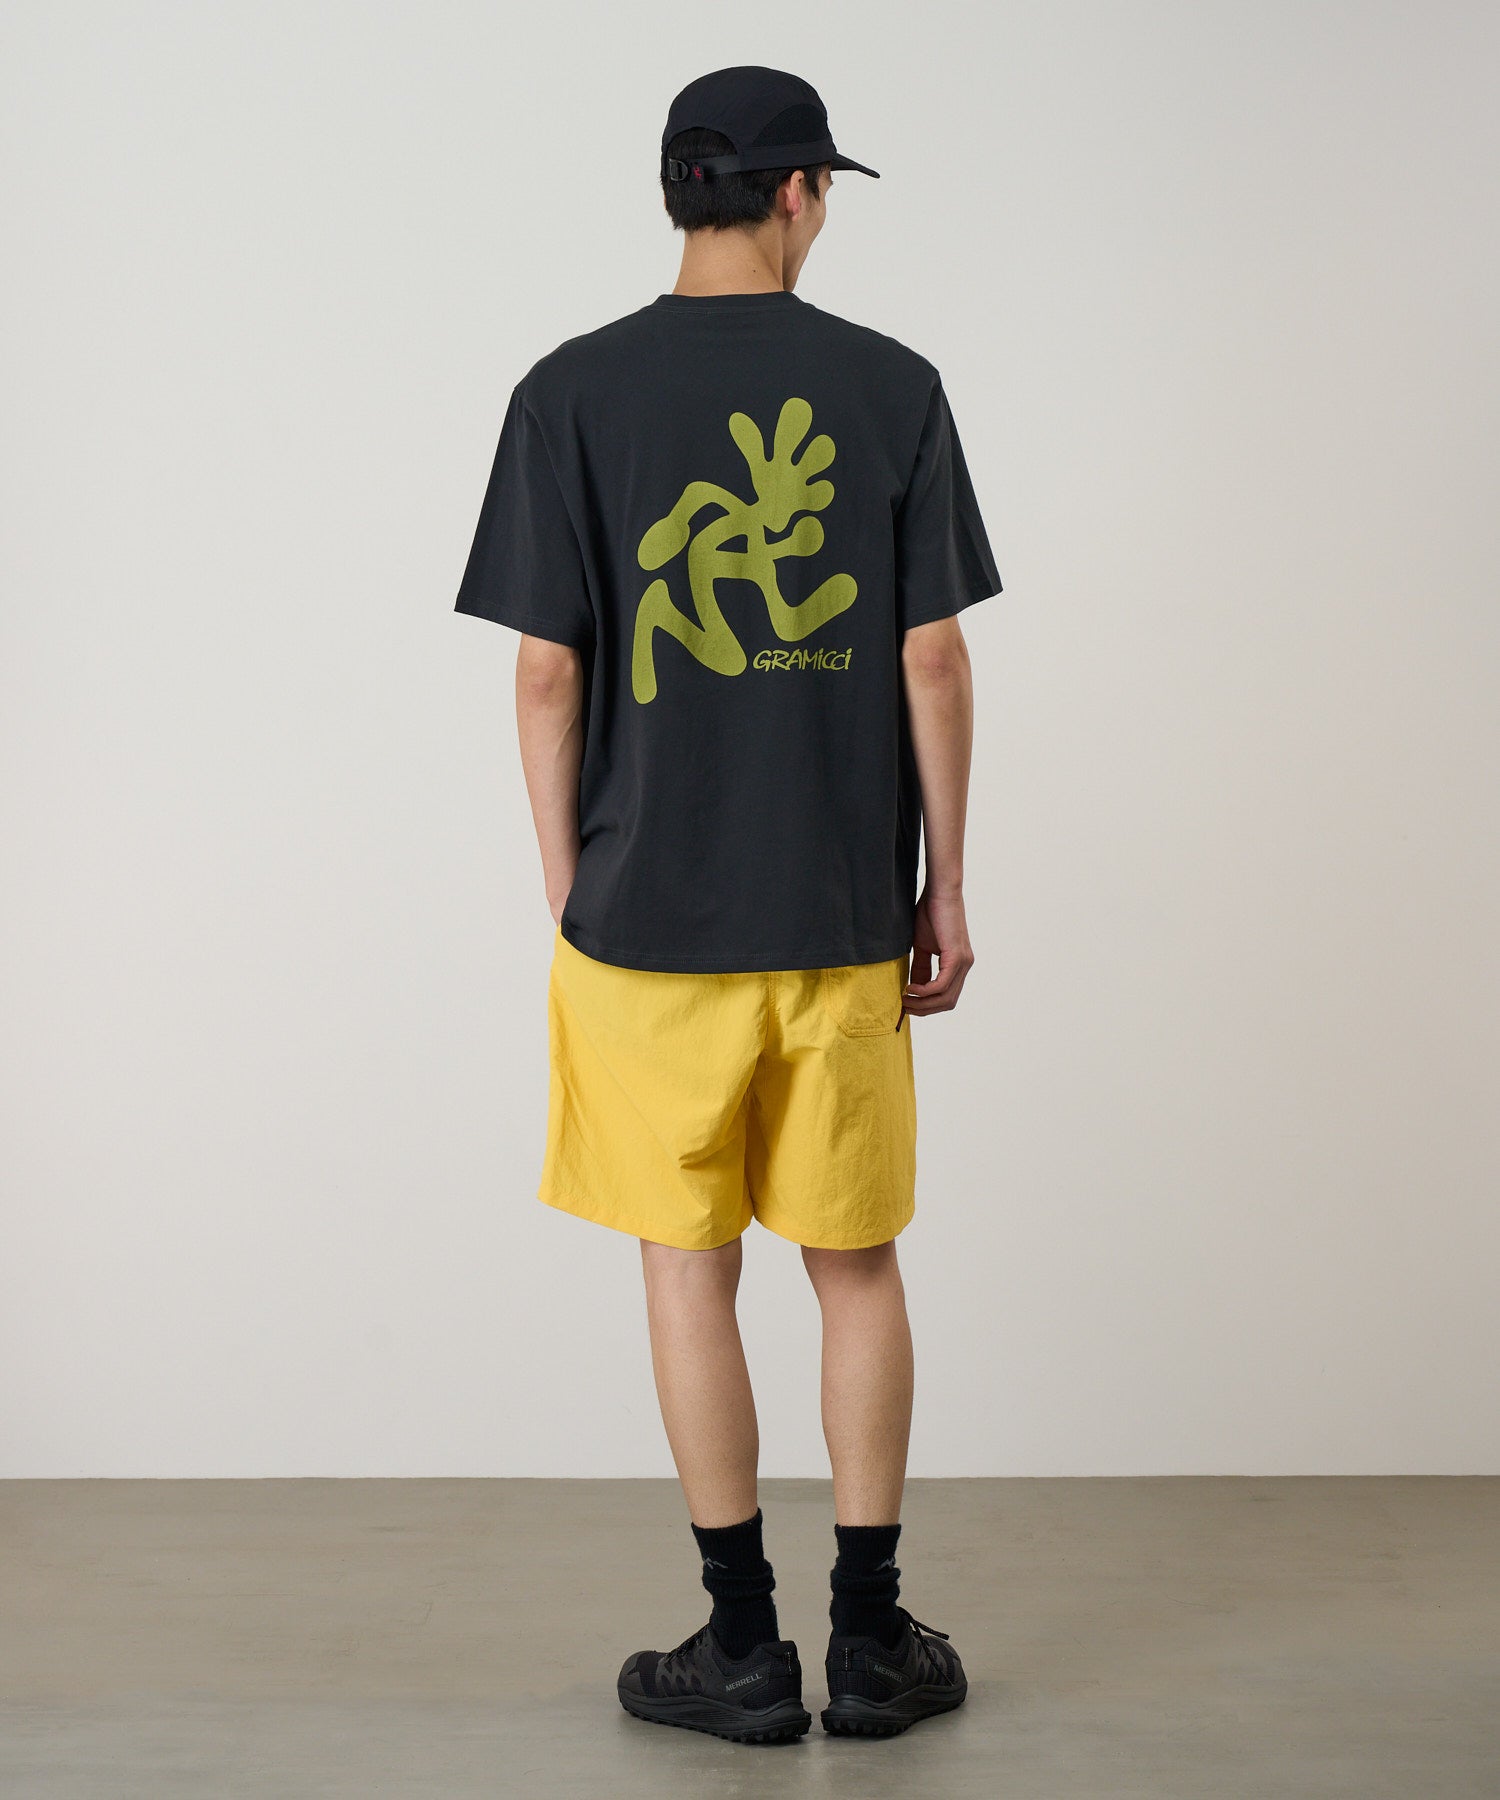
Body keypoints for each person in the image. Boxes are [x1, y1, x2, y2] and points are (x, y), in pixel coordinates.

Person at [453, 64, 1002, 1744]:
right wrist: (944, 885)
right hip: (838, 919)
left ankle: (744, 1649)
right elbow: (930, 656)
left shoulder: (568, 392)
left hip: (647, 928)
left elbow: (547, 672)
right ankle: (871, 1643)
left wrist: (572, 886)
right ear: (797, 193)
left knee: (687, 1271)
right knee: (856, 1267)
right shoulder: (893, 387)